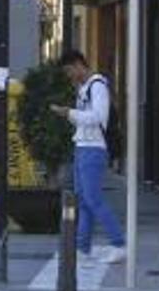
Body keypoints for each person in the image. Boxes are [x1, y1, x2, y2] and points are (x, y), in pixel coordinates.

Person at [50, 51, 125, 265]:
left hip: (94, 148)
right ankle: (82, 248)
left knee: (93, 199)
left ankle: (118, 243)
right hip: (83, 146)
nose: (68, 76)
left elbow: (98, 117)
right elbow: (85, 120)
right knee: (83, 200)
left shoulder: (97, 85)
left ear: (77, 65)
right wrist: (71, 114)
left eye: (68, 71)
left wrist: (69, 113)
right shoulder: (84, 88)